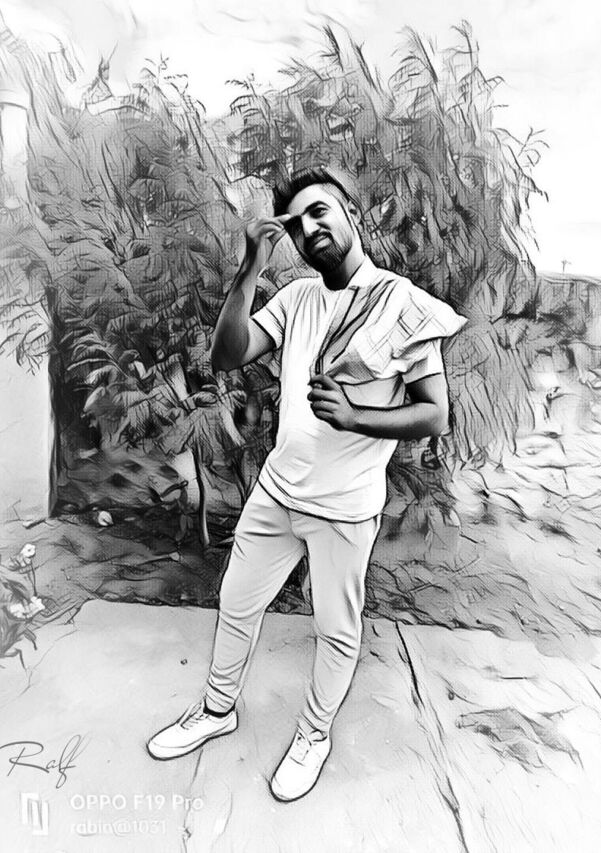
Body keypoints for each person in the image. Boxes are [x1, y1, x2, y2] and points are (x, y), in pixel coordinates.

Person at [147, 165, 468, 802]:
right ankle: (216, 710)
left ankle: (314, 734)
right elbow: (227, 355)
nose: (309, 227)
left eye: (320, 210)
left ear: (352, 213)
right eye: (296, 223)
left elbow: (435, 414)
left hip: (345, 509)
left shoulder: (402, 305)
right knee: (237, 602)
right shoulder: (297, 298)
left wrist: (356, 417)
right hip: (276, 494)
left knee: (336, 630)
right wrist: (250, 267)